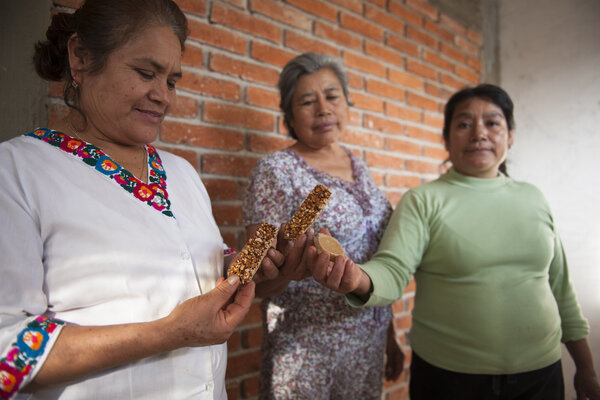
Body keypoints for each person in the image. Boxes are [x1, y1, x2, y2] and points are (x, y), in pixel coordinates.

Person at [0, 1, 275, 398]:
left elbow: (196, 265)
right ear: (80, 58)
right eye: (146, 73)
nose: (163, 96)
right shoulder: (17, 172)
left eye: (172, 81)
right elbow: (8, 353)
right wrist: (169, 333)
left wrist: (250, 267)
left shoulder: (182, 173)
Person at [310, 83, 600, 400]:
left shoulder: (534, 198)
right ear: (446, 139)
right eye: (464, 124)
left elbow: (560, 286)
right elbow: (392, 269)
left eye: (492, 123)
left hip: (540, 377)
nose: (479, 133)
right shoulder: (423, 201)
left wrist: (586, 368)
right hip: (451, 381)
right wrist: (357, 278)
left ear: (511, 136)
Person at [242, 52, 405, 400]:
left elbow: (379, 256)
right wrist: (290, 269)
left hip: (367, 346)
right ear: (289, 115)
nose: (323, 109)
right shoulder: (277, 171)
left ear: (347, 102)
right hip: (304, 351)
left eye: (332, 96)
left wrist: (390, 334)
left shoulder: (359, 167)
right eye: (306, 101)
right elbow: (251, 277)